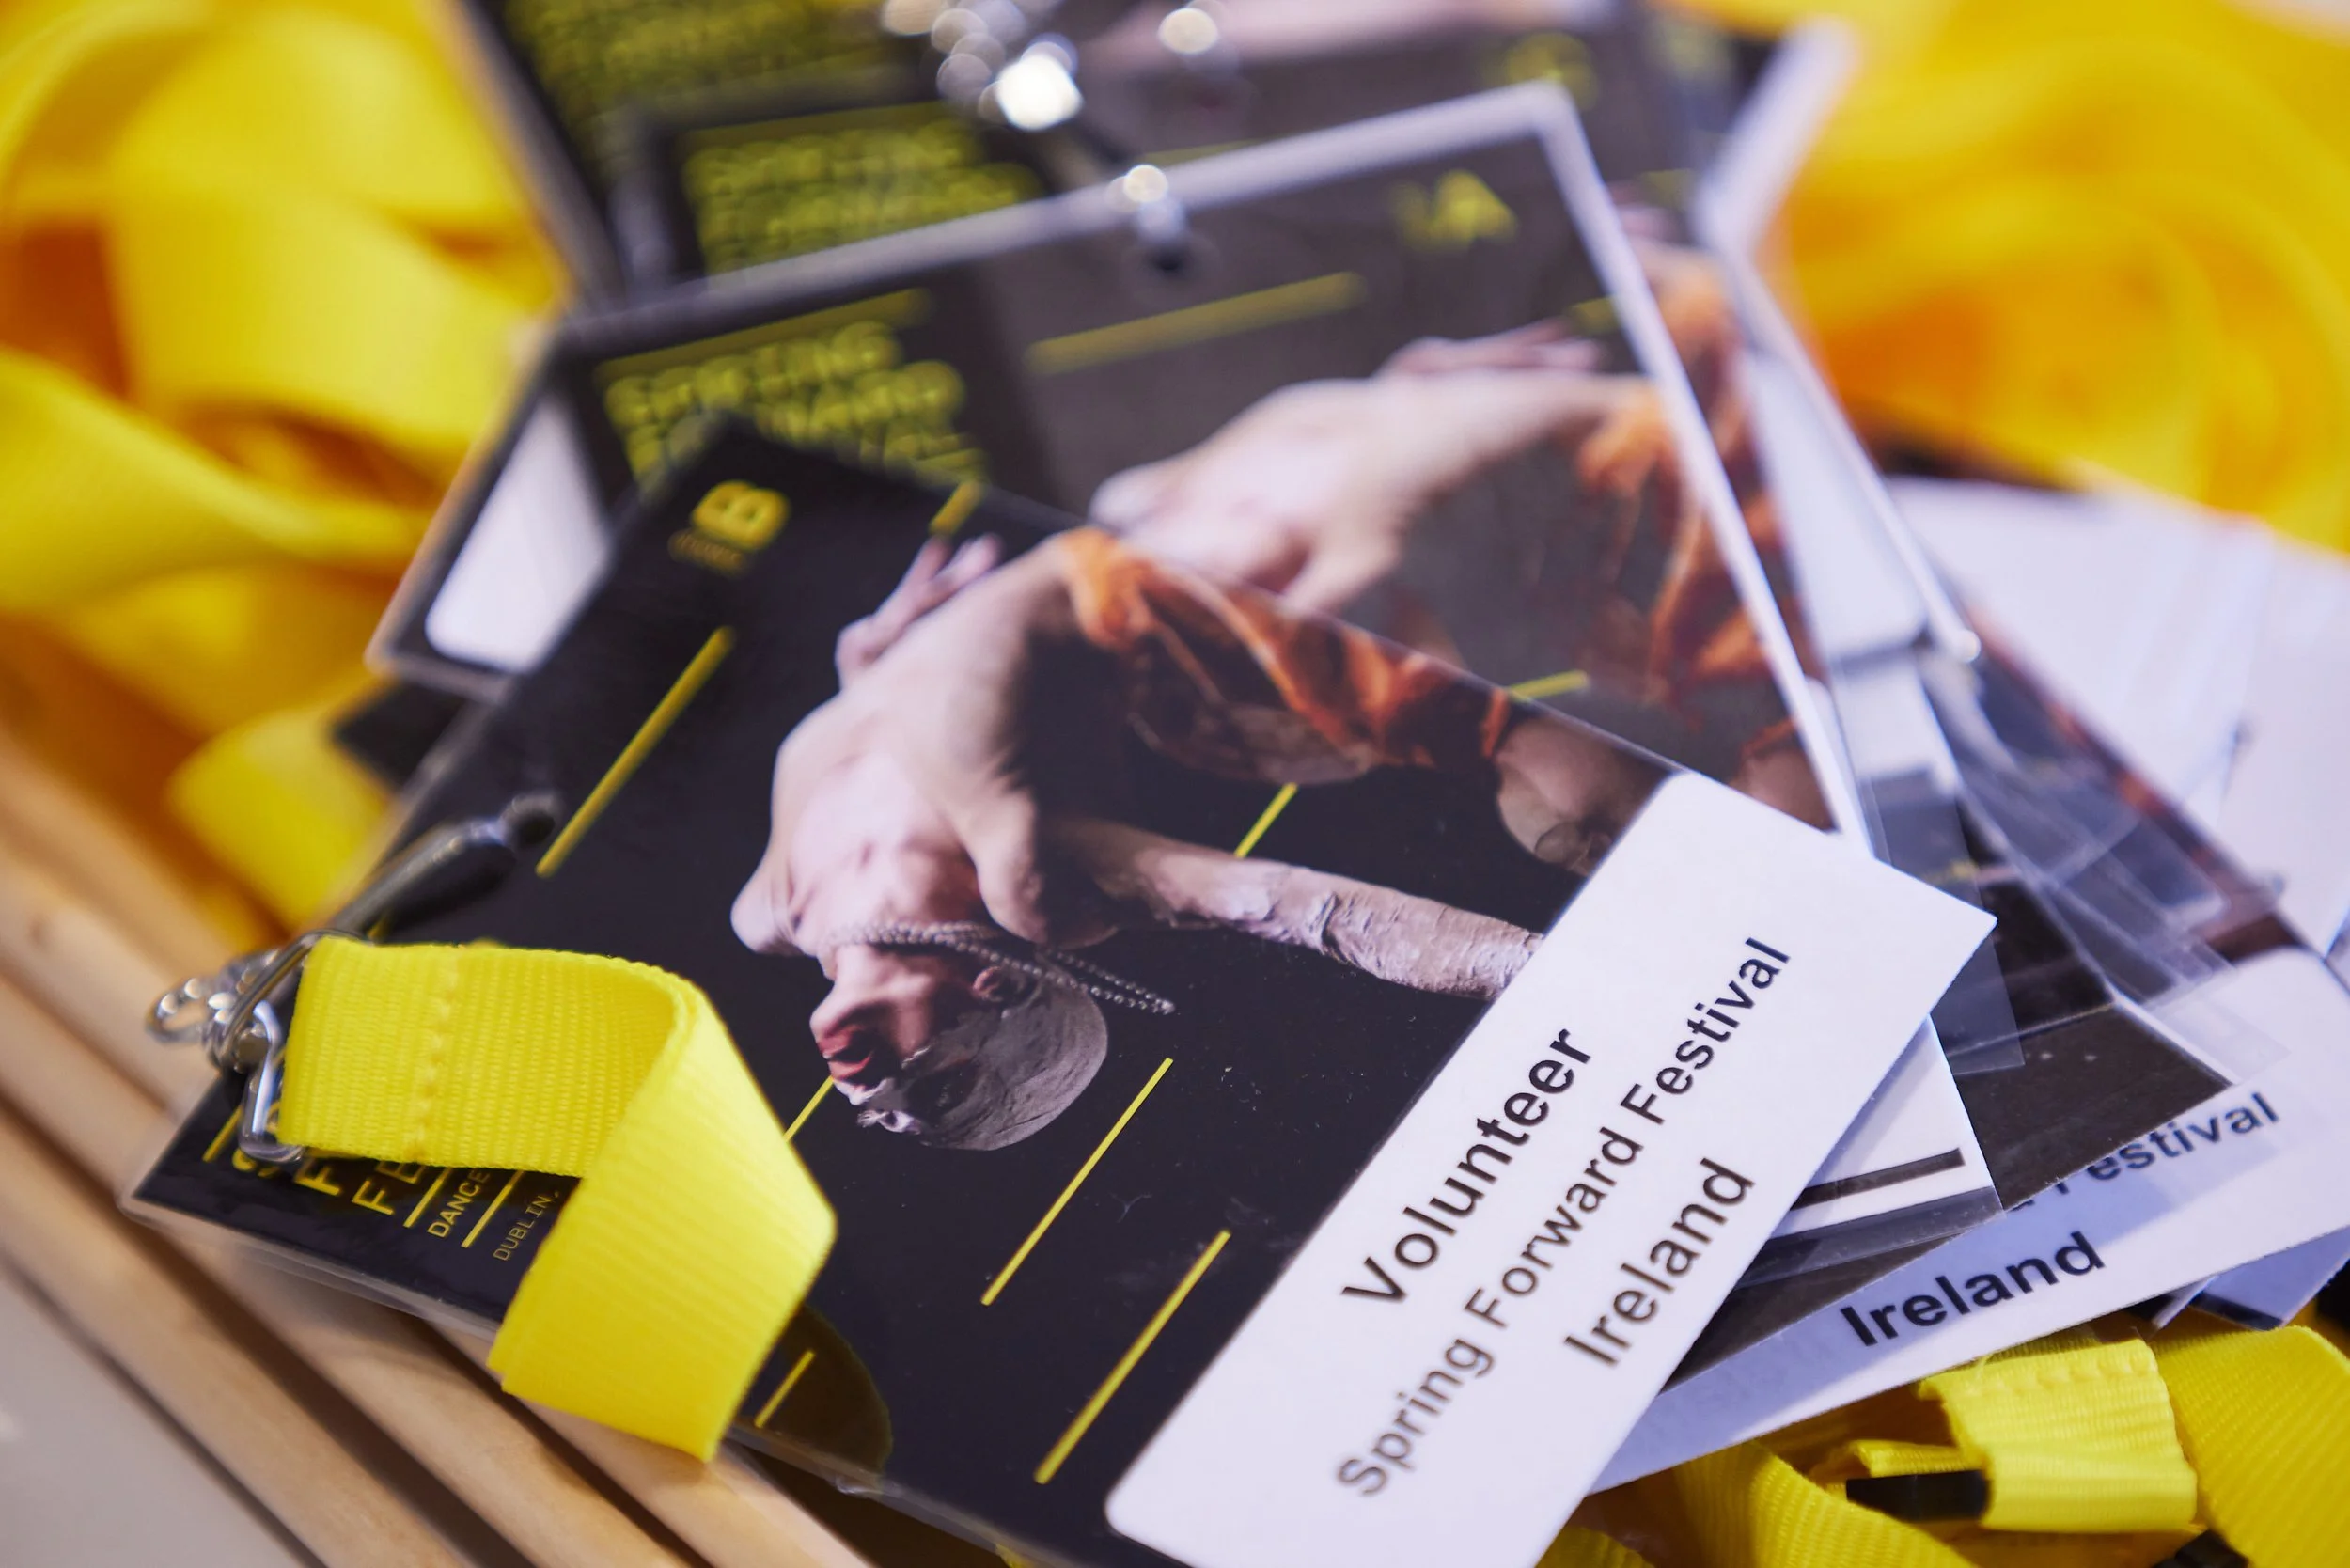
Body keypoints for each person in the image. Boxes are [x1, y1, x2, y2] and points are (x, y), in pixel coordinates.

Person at [732, 524, 1665, 1151]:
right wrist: (1550, 974)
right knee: (1545, 783)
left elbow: (883, 727)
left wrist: (868, 665)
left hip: (1137, 560)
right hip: (1186, 578)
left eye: (902, 1113)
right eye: (924, 1097)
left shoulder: (769, 912)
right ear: (997, 987)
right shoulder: (1030, 877)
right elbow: (1308, 910)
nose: (868, 1100)